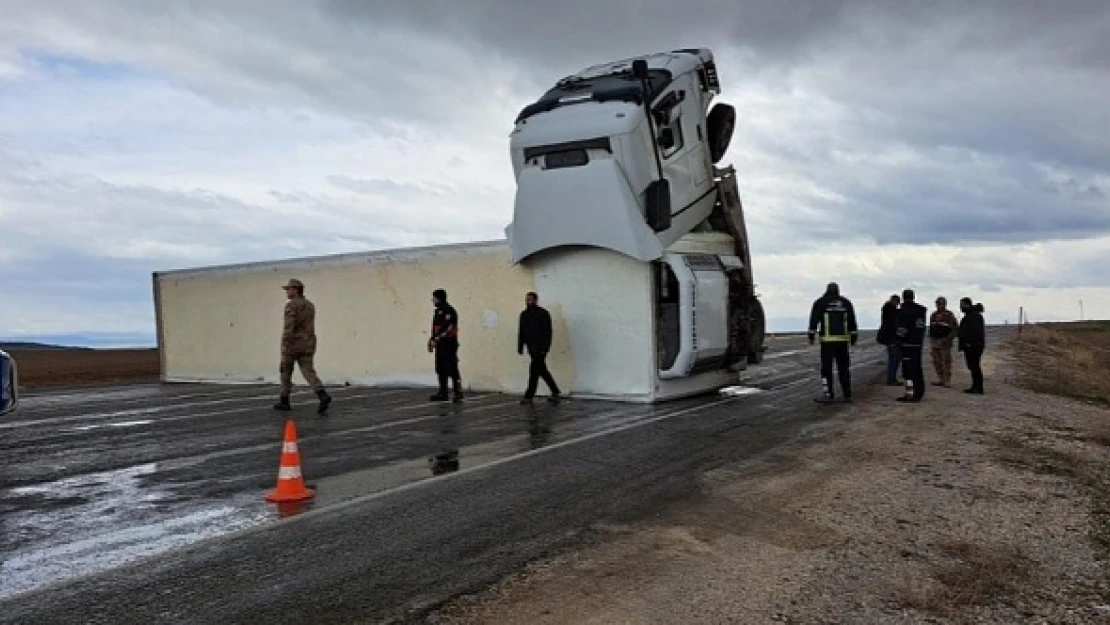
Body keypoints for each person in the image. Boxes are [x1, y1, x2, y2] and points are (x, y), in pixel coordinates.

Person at [273, 278, 332, 414]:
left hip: (293, 344)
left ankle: (284, 400)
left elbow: (289, 327)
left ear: (295, 290)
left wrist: (285, 344)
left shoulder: (291, 306)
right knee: (308, 371)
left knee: (285, 371)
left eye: (288, 289)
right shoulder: (310, 305)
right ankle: (322, 394)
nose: (287, 292)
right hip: (308, 342)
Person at [807, 282, 859, 403]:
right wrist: (854, 337)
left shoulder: (821, 302)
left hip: (827, 341)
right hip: (842, 341)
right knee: (844, 368)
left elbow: (814, 320)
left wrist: (811, 335)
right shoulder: (846, 303)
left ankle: (828, 394)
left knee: (826, 369)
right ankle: (847, 394)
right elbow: (852, 321)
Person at [517, 291, 562, 405]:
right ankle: (555, 391)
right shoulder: (524, 314)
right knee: (542, 370)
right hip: (531, 348)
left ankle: (529, 396)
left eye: (530, 300)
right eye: (526, 300)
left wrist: (545, 348)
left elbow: (547, 332)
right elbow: (521, 331)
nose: (528, 302)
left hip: (540, 348)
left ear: (535, 300)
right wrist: (521, 346)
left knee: (533, 370)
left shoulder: (543, 313)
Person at [428, 288, 464, 402]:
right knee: (440, 368)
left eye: (434, 297)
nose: (432, 300)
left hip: (449, 344)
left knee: (451, 367)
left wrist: (437, 338)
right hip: (440, 344)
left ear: (439, 298)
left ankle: (457, 392)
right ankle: (443, 392)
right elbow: (435, 328)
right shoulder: (438, 311)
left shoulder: (449, 311)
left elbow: (448, 328)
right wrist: (432, 339)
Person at [895, 288, 928, 402]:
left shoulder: (904, 311)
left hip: (907, 344)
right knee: (917, 369)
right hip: (918, 343)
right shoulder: (921, 311)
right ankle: (919, 392)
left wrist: (898, 339)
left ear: (904, 297)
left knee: (908, 371)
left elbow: (902, 328)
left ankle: (910, 394)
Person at [928, 296, 960, 387]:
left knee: (946, 361)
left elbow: (955, 329)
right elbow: (931, 328)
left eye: (940, 304)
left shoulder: (949, 315)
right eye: (937, 304)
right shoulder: (933, 315)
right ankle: (941, 379)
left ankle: (947, 380)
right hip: (935, 342)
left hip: (945, 342)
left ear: (945, 304)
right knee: (936, 361)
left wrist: (948, 338)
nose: (938, 305)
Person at [958, 297, 986, 394]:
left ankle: (978, 387)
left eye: (962, 305)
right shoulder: (969, 316)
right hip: (970, 346)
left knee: (975, 366)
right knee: (972, 366)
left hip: (974, 346)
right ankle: (975, 386)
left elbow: (975, 332)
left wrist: (969, 343)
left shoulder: (974, 316)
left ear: (967, 304)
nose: (960, 307)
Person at [877, 294, 902, 386]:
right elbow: (892, 326)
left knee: (894, 358)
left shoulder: (888, 310)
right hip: (891, 338)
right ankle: (891, 379)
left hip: (889, 338)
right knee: (894, 358)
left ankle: (892, 378)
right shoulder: (891, 312)